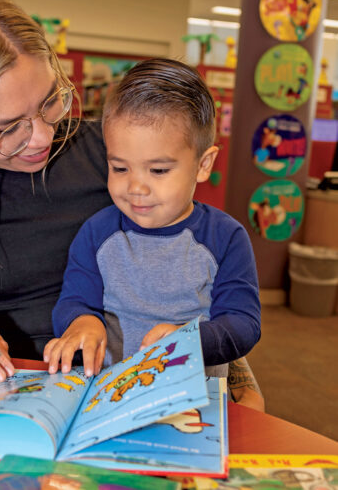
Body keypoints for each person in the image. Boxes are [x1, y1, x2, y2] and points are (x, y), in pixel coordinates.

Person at [0, 0, 263, 410]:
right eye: (7, 127)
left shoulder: (114, 156)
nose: (42, 136)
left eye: (51, 101)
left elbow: (197, 274)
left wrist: (239, 379)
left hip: (119, 390)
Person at [44, 59, 261, 380]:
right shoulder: (96, 233)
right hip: (111, 392)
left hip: (194, 398)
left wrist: (192, 341)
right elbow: (74, 300)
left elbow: (243, 323)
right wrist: (82, 323)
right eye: (120, 168)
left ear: (204, 164)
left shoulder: (226, 238)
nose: (136, 187)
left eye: (158, 170)